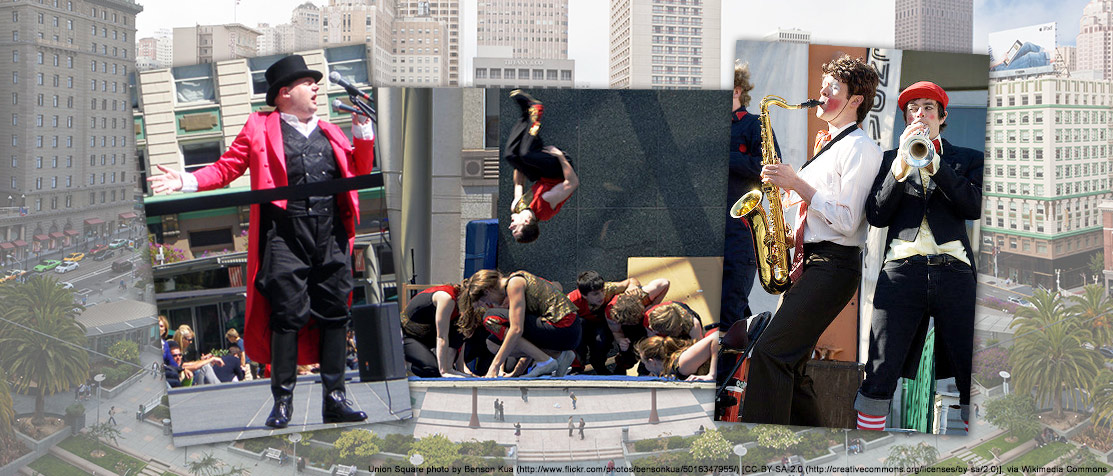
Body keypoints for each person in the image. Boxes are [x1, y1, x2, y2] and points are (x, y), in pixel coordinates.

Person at [147, 55, 372, 429]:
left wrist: (363, 130)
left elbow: (359, 170)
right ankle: (282, 401)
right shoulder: (259, 126)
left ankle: (335, 398)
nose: (316, 87)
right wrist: (185, 181)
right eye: (307, 83)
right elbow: (226, 168)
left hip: (330, 234)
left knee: (335, 315)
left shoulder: (331, 131)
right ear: (285, 93)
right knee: (287, 316)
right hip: (285, 233)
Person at [739, 55, 883, 426]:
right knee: (793, 366)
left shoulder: (861, 149)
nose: (822, 93)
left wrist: (795, 183)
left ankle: (758, 447)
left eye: (833, 88)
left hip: (833, 266)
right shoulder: (831, 146)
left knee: (771, 353)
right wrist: (786, 235)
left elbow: (849, 221)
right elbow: (822, 213)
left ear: (855, 101)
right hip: (817, 262)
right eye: (824, 85)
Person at [854, 81, 981, 432]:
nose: (920, 113)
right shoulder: (886, 161)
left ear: (942, 117)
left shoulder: (969, 159)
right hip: (901, 271)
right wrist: (899, 168)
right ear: (906, 118)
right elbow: (877, 215)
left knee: (972, 373)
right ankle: (867, 450)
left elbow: (973, 206)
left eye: (928, 107)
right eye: (913, 108)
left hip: (955, 271)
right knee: (878, 370)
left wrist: (935, 164)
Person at [723, 60, 781, 338]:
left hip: (740, 232)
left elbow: (771, 168)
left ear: (736, 90)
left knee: (731, 307)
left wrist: (727, 155)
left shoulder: (755, 124)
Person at [459, 269, 581, 378]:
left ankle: (546, 360)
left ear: (487, 291)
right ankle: (559, 355)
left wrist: (494, 366)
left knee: (491, 318)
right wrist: (517, 373)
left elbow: (517, 330)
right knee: (493, 343)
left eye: (485, 301)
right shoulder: (515, 283)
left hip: (564, 327)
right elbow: (526, 340)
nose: (489, 304)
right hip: (566, 333)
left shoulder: (514, 284)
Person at [504, 90, 579, 243]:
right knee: (526, 154)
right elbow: (572, 183)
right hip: (559, 170)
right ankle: (536, 109)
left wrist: (518, 163)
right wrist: (560, 156)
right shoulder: (544, 208)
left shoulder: (516, 207)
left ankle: (526, 113)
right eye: (515, 229)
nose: (510, 227)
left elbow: (519, 183)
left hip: (542, 175)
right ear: (526, 222)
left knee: (511, 155)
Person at [567, 272, 669, 374]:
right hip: (589, 323)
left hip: (605, 323)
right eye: (596, 294)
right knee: (578, 333)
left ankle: (631, 367)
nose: (602, 296)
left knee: (608, 342)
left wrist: (634, 287)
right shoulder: (572, 301)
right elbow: (616, 330)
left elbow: (633, 281)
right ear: (584, 295)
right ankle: (579, 366)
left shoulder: (613, 289)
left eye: (602, 291)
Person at [401, 282, 478, 377]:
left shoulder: (463, 307)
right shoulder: (447, 298)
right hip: (407, 336)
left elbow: (460, 338)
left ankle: (448, 367)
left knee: (464, 325)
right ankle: (406, 364)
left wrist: (461, 368)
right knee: (433, 370)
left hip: (427, 334)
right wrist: (444, 371)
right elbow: (441, 337)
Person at [635, 332, 719, 381]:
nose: (645, 367)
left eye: (644, 362)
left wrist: (711, 375)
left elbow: (715, 337)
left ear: (651, 362)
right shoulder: (670, 367)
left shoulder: (682, 364)